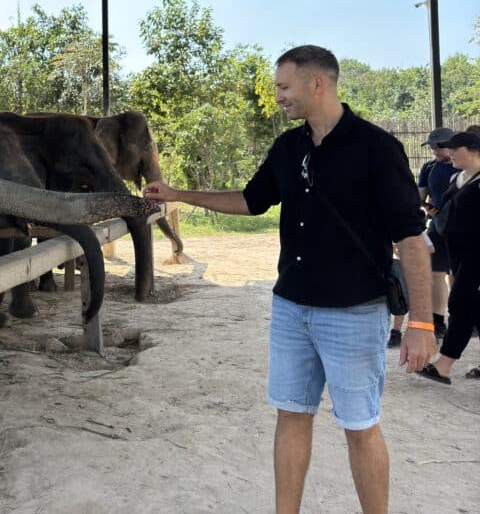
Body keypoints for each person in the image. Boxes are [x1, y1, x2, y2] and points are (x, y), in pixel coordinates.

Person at [144, 45, 435, 514]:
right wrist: (179, 194)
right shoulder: (288, 147)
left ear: (316, 83)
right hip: (291, 308)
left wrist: (421, 322)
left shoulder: (376, 148)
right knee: (291, 415)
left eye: (283, 87)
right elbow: (251, 200)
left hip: (355, 312)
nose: (278, 96)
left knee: (360, 425)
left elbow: (412, 239)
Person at [416, 131, 480, 385]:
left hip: (477, 254)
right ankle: (443, 366)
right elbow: (447, 212)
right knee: (472, 308)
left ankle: (443, 365)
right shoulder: (457, 177)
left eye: (455, 147)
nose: (448, 152)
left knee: (459, 303)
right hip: (457, 253)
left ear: (474, 148)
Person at [389, 126, 456, 346]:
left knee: (459, 276)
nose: (436, 151)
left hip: (465, 229)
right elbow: (419, 197)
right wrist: (430, 209)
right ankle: (439, 321)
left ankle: (463, 317)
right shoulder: (430, 167)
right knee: (437, 274)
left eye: (440, 146)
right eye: (433, 147)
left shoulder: (467, 166)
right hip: (438, 227)